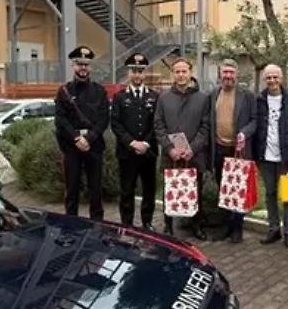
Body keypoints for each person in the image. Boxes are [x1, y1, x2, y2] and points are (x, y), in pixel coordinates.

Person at [153, 57, 210, 240]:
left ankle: (196, 225)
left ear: (190, 72)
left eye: (184, 71)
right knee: (169, 191)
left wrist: (192, 148)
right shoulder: (163, 97)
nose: (180, 75)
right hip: (172, 155)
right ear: (173, 74)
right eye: (177, 71)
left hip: (194, 154)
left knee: (196, 191)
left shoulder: (202, 98)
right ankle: (168, 226)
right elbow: (158, 125)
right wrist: (169, 148)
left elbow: (206, 126)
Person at [54, 46, 110, 220]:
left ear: (90, 67)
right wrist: (77, 138)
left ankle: (97, 225)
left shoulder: (99, 91)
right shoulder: (64, 91)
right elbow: (61, 120)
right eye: (79, 64)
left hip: (94, 147)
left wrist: (89, 138)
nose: (83, 68)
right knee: (72, 189)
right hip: (72, 147)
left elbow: (103, 119)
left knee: (95, 189)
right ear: (73, 66)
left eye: (86, 64)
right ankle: (71, 224)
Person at [254, 64, 288, 248]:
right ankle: (274, 229)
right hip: (266, 157)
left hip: (287, 158)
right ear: (264, 79)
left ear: (281, 78)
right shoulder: (259, 100)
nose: (272, 81)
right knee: (270, 194)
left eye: (275, 77)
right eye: (268, 78)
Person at [208, 59, 257, 243]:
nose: (228, 76)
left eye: (231, 72)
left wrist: (244, 133)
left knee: (238, 190)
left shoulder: (247, 95)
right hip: (219, 149)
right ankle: (227, 227)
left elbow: (254, 120)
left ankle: (237, 229)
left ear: (236, 74)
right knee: (224, 189)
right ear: (220, 74)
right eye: (225, 72)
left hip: (239, 150)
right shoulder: (213, 94)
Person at [110, 53, 159, 229]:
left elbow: (157, 124)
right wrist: (132, 143)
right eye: (134, 71)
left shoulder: (154, 97)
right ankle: (127, 224)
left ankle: (147, 222)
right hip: (127, 153)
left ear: (144, 73)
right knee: (127, 191)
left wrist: (145, 143)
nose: (137, 75)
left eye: (140, 71)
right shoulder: (120, 97)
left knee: (149, 190)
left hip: (148, 152)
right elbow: (115, 124)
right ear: (128, 73)